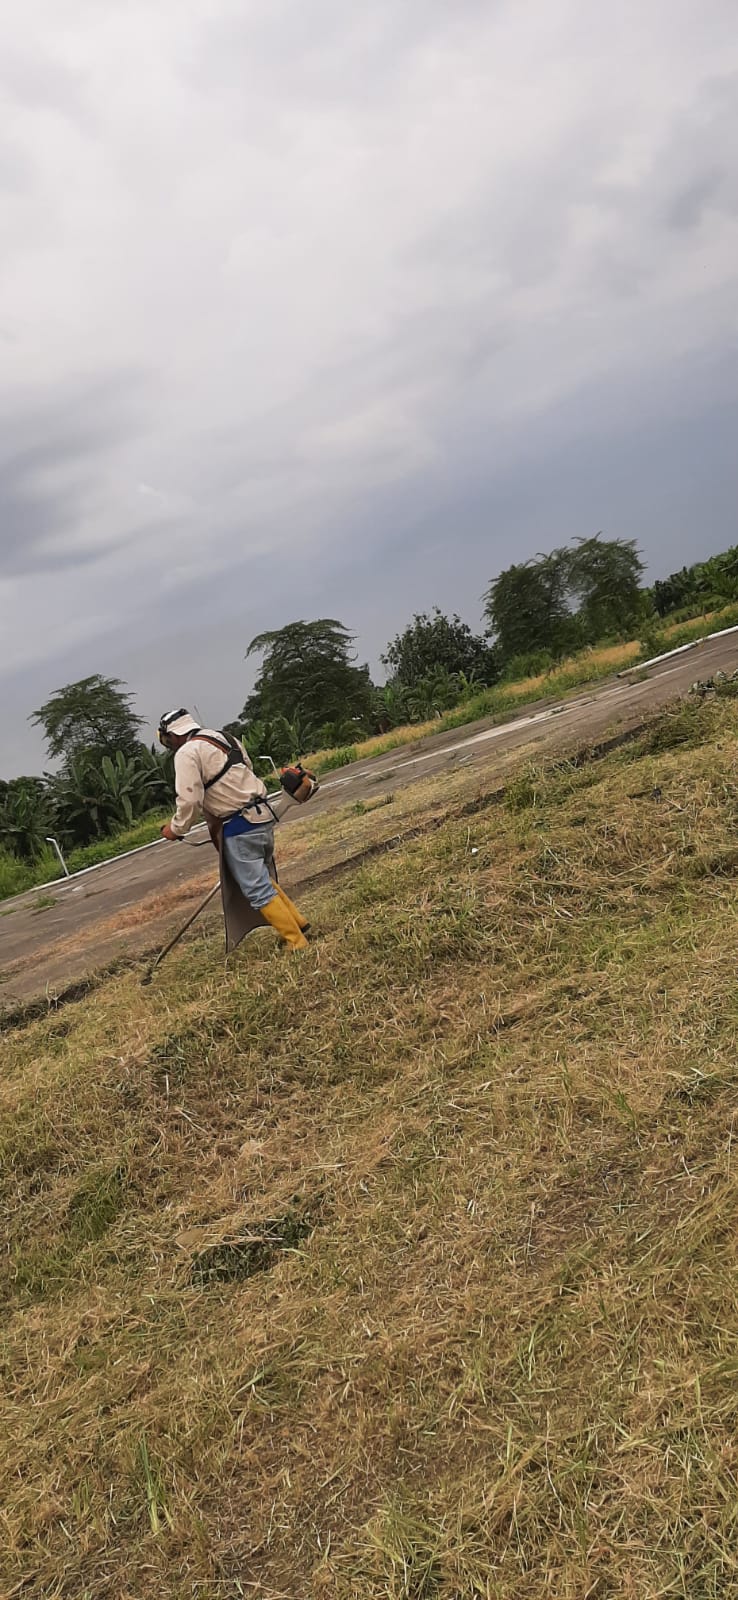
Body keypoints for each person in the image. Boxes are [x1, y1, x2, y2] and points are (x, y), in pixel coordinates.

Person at [157, 708, 316, 951]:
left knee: (256, 887)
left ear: (173, 735)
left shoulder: (187, 752)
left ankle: (296, 942)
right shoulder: (224, 738)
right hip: (262, 817)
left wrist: (176, 829)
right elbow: (246, 769)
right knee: (261, 877)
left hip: (238, 826)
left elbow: (190, 800)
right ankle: (299, 923)